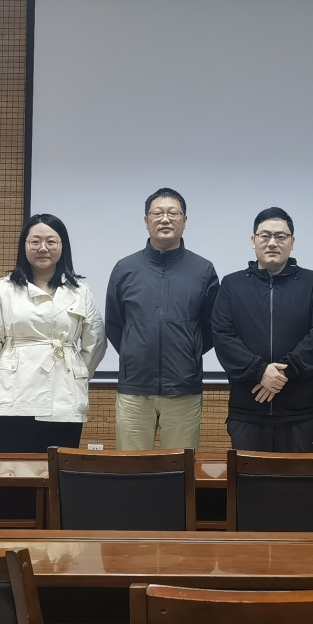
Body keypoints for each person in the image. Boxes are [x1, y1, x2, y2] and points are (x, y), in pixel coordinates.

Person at [0, 213, 105, 452]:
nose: (43, 248)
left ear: (62, 246)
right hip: (11, 398)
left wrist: (74, 373)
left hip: (64, 398)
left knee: (58, 470)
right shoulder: (4, 289)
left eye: (51, 241)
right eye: (35, 241)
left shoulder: (80, 291)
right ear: (24, 246)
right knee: (10, 471)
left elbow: (95, 344)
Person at [212, 207, 313, 452]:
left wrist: (282, 374)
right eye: (265, 235)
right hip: (247, 411)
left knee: (300, 476)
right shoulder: (232, 285)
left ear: (292, 242)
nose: (272, 243)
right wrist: (259, 372)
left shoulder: (312, 283)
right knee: (246, 476)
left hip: (298, 413)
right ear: (253, 240)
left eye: (280, 236)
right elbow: (223, 336)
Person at [105, 188, 219, 450]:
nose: (165, 219)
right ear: (146, 221)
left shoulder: (203, 269)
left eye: (173, 213)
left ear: (184, 221)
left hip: (184, 388)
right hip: (134, 388)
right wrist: (134, 352)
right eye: (157, 213)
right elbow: (114, 323)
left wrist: (189, 352)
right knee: (131, 468)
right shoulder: (125, 268)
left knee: (180, 467)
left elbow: (212, 326)